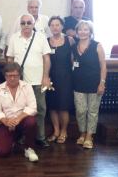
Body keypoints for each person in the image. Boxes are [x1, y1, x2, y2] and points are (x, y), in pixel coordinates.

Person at [6, 13, 51, 148]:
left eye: (29, 22)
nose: (26, 25)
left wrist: (45, 77)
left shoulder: (41, 37)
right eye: (23, 23)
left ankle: (40, 137)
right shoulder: (14, 38)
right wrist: (11, 78)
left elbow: (47, 59)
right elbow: (10, 59)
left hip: (38, 81)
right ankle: (22, 137)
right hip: (20, 82)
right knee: (20, 110)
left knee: (40, 109)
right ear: (20, 25)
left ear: (33, 24)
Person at [0, 62, 38, 162]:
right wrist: (5, 121)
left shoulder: (27, 87)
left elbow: (33, 107)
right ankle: (14, 139)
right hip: (7, 122)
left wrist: (18, 118)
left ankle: (29, 149)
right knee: (2, 152)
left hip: (22, 120)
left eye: (15, 76)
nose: (12, 78)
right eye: (9, 76)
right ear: (5, 76)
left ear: (20, 75)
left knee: (31, 121)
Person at [72, 20, 107, 149]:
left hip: (94, 84)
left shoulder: (97, 45)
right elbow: (72, 64)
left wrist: (102, 83)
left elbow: (103, 66)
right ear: (76, 32)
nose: (83, 32)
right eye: (80, 29)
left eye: (86, 29)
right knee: (80, 111)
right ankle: (82, 133)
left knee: (92, 111)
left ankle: (89, 136)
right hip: (78, 84)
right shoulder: (73, 46)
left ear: (90, 32)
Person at [46, 16, 75, 144]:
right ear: (50, 27)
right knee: (52, 106)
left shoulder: (70, 40)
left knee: (63, 107)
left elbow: (74, 59)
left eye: (57, 25)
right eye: (52, 25)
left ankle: (64, 131)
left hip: (66, 78)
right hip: (51, 78)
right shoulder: (46, 41)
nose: (55, 27)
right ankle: (56, 131)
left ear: (62, 26)